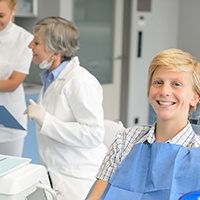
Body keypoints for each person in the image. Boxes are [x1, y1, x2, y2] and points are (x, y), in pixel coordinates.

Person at [87, 48, 200, 199]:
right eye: (158, 82)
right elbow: (95, 196)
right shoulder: (125, 140)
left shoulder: (196, 152)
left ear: (194, 97)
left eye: (176, 84)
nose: (165, 91)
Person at [24, 16, 107, 200]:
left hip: (79, 179)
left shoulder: (80, 81)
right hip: (56, 175)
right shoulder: (50, 79)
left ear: (55, 50)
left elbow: (93, 134)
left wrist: (46, 120)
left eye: (36, 42)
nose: (31, 46)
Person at [0, 0, 33, 156]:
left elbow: (13, 83)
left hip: (9, 117)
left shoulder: (25, 39)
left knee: (9, 174)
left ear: (13, 10)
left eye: (1, 15)